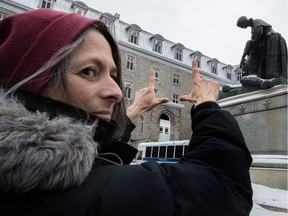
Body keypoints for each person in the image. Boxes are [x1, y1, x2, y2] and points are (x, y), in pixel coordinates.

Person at [0, 9, 253, 216]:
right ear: (30, 80)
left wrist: (129, 116)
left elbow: (97, 162)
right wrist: (207, 106)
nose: (118, 92)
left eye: (114, 74)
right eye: (89, 71)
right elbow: (223, 185)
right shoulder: (105, 196)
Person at [237, 16, 287, 80]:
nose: (242, 28)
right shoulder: (253, 26)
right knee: (268, 61)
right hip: (268, 41)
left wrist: (252, 50)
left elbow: (258, 36)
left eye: (241, 26)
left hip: (271, 39)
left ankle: (274, 78)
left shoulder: (256, 22)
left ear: (243, 22)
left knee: (271, 60)